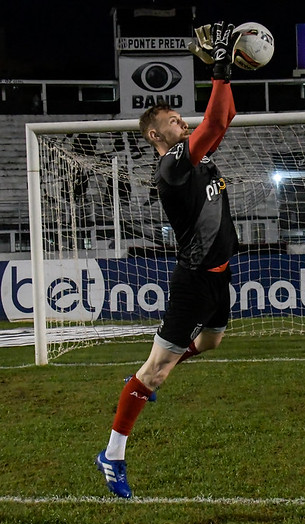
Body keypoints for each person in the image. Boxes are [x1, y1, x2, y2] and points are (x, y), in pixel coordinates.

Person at [95, 21, 240, 499]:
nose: (184, 122)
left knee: (213, 342)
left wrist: (229, 68)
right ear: (158, 134)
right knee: (155, 371)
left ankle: (148, 375)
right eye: (176, 121)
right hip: (195, 280)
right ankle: (112, 455)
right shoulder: (172, 165)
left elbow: (226, 116)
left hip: (218, 277)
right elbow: (216, 122)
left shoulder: (194, 159)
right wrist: (219, 64)